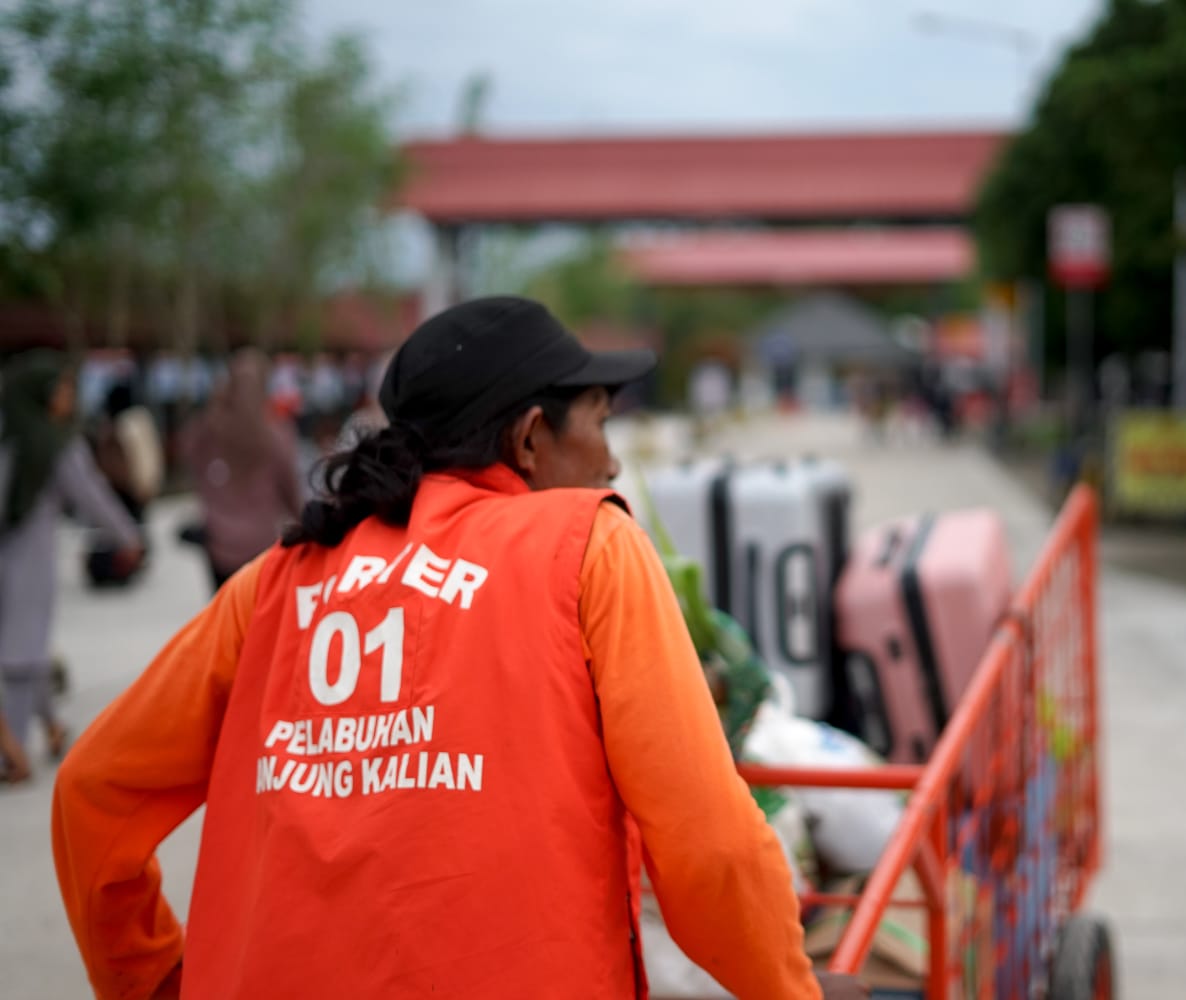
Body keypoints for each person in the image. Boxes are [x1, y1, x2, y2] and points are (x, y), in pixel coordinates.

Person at [52, 297, 867, 999]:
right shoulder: (586, 548)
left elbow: (92, 797)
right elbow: (709, 844)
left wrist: (160, 981)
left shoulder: (274, 585)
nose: (614, 461)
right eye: (602, 424)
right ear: (528, 438)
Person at [0, 350, 143, 776]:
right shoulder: (54, 444)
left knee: (26, 647)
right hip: (28, 564)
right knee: (23, 652)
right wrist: (128, 538)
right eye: (63, 389)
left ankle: (52, 725)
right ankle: (13, 750)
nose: (69, 397)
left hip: (12, 558)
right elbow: (91, 495)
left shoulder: (9, 433)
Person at [178, 348, 303, 591]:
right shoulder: (275, 435)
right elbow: (291, 492)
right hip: (261, 545)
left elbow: (188, 453)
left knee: (225, 616)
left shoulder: (212, 430)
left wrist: (216, 403)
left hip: (219, 544)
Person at [84, 379, 164, 587]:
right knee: (131, 528)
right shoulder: (141, 420)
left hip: (124, 487)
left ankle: (121, 568)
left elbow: (123, 460)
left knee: (122, 530)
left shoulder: (122, 424)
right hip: (137, 486)